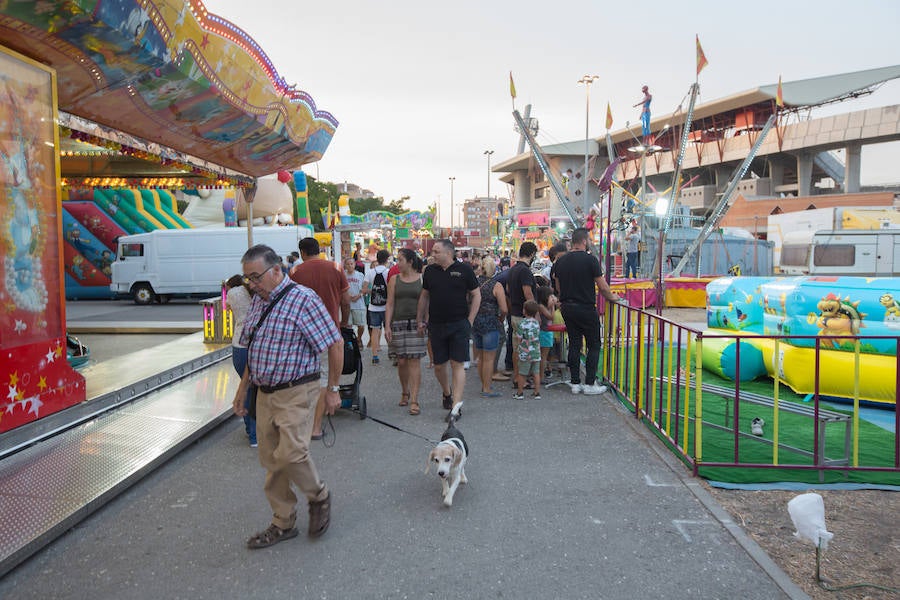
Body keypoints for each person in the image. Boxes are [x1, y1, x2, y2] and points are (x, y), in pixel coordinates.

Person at [232, 244, 342, 549]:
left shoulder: (304, 300)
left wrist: (332, 390)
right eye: (247, 279)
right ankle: (283, 522)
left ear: (277, 270)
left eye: (255, 277)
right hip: (264, 393)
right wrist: (242, 390)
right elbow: (254, 349)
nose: (251, 284)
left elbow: (334, 344)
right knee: (271, 461)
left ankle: (318, 495)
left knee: (291, 452)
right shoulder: (259, 301)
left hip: (297, 390)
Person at [290, 237, 350, 441]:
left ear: (303, 252)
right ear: (318, 250)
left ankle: (301, 425)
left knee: (303, 379)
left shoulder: (295, 272)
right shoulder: (335, 267)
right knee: (324, 378)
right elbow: (346, 300)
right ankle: (316, 428)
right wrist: (345, 322)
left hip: (302, 335)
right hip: (330, 332)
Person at [552, 228, 621, 395]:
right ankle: (590, 383)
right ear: (584, 241)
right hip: (586, 307)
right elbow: (602, 286)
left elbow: (558, 285)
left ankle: (575, 383)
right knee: (594, 345)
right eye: (589, 239)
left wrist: (563, 299)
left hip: (568, 307)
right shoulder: (590, 260)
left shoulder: (561, 261)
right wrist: (613, 297)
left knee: (574, 344)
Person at [417, 239, 480, 418]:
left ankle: (455, 407)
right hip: (436, 324)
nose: (433, 254)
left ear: (448, 253)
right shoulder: (430, 271)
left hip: (459, 323)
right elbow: (424, 296)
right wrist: (419, 318)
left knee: (457, 364)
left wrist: (470, 320)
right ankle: (447, 392)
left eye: (436, 251)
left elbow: (476, 295)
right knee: (439, 366)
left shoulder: (464, 270)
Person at [384, 248, 427, 414]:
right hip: (398, 323)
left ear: (410, 262)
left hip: (416, 324)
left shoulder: (422, 279)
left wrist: (425, 321)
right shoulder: (394, 279)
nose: (397, 263)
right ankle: (405, 391)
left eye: (400, 260)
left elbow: (427, 303)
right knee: (401, 361)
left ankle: (415, 400)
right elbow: (390, 303)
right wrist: (387, 325)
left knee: (414, 361)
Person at [226, 274, 256, 447]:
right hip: (256, 344)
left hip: (239, 344)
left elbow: (230, 310)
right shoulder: (254, 292)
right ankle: (256, 433)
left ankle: (250, 431)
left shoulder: (232, 293)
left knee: (246, 388)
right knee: (257, 390)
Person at [472, 257, 508, 397]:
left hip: (476, 321)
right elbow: (504, 308)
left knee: (481, 357)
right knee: (489, 358)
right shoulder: (496, 285)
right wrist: (501, 319)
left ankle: (484, 385)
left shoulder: (474, 282)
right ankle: (486, 388)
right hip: (491, 322)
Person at [507, 242, 537, 384]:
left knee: (516, 348)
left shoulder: (513, 269)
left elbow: (508, 289)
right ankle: (521, 379)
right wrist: (534, 312)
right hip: (524, 316)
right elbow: (528, 292)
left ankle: (517, 377)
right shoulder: (525, 270)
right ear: (531, 254)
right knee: (524, 350)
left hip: (515, 313)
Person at [362, 249, 390, 365]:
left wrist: (373, 291)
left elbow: (364, 290)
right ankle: (392, 353)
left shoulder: (370, 272)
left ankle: (375, 356)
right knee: (388, 329)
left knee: (375, 330)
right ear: (387, 259)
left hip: (373, 307)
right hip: (387, 306)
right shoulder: (389, 272)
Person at [514, 300, 542, 400]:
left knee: (522, 373)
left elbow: (519, 337)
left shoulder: (522, 323)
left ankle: (520, 393)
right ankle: (537, 392)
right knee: (536, 372)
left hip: (525, 352)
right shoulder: (537, 323)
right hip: (536, 352)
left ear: (524, 311)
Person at [534, 283, 558, 380]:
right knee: (543, 356)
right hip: (545, 332)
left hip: (545, 331)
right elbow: (551, 317)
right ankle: (541, 376)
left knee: (543, 355)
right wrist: (552, 307)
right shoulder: (541, 306)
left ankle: (540, 375)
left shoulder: (542, 305)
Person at [343, 257, 367, 344]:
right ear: (345, 265)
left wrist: (359, 295)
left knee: (361, 325)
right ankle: (350, 342)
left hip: (359, 304)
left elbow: (365, 288)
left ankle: (359, 338)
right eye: (348, 264)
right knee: (348, 325)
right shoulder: (343, 275)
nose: (350, 266)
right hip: (347, 304)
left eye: (351, 264)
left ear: (354, 264)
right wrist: (347, 296)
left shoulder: (360, 275)